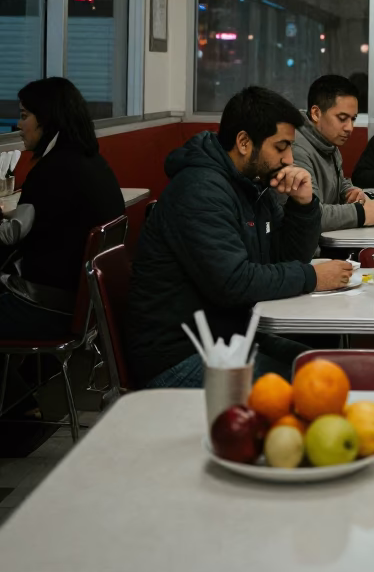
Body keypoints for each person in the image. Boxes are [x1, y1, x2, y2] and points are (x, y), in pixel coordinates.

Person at [128, 86, 353, 388]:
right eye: (281, 147)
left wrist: (304, 205)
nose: (289, 160)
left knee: (328, 366)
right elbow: (233, 283)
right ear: (244, 142)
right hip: (178, 357)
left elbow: (286, 257)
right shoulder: (200, 190)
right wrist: (312, 277)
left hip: (229, 339)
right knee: (318, 385)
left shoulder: (253, 183)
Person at [0, 77, 124, 336]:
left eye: (24, 116)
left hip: (45, 305)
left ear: (46, 119)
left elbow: (10, 234)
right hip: (88, 305)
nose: (19, 125)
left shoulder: (50, 169)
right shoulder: (94, 163)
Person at [292, 75, 374, 231]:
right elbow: (311, 214)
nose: (349, 128)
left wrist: (350, 192)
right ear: (316, 113)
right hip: (308, 252)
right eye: (342, 118)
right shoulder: (296, 150)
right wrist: (362, 213)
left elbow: (340, 182)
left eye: (353, 119)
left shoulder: (327, 141)